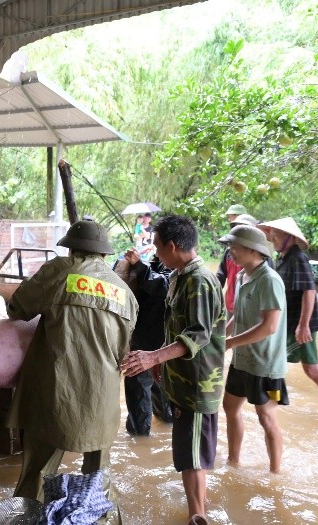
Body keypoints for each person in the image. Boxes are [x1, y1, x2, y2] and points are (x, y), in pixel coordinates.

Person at [6, 218, 138, 523]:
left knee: (38, 473)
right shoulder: (124, 292)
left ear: (71, 249)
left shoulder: (58, 271)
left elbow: (18, 308)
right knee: (98, 477)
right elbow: (123, 349)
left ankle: (26, 519)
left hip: (56, 394)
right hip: (102, 401)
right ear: (103, 254)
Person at [121, 215, 225, 525]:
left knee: (192, 456)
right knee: (187, 451)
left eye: (157, 247)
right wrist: (163, 363)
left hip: (198, 383)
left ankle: (198, 516)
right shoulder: (179, 276)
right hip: (181, 378)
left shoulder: (200, 281)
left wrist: (153, 358)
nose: (155, 253)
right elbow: (174, 326)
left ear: (172, 245)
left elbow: (197, 334)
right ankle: (197, 506)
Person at [258, 217, 318, 423]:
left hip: (298, 325)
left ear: (289, 237)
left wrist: (303, 325)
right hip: (291, 323)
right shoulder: (283, 257)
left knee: (293, 366)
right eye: (271, 233)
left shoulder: (297, 258)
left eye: (276, 234)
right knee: (304, 368)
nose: (272, 237)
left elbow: (309, 292)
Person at [219, 225, 288, 474]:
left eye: (233, 248)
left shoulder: (269, 280)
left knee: (266, 417)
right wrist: (221, 336)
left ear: (251, 250)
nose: (230, 253)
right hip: (242, 360)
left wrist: (230, 343)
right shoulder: (240, 277)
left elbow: (269, 327)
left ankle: (275, 474)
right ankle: (233, 461)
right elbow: (238, 315)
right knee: (230, 407)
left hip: (266, 366)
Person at [119, 250, 172, 436]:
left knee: (146, 392)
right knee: (148, 391)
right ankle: (145, 440)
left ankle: (140, 437)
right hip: (146, 339)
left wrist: (140, 266)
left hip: (156, 344)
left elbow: (164, 286)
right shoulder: (154, 264)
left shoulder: (176, 271)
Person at [216, 207, 251, 316]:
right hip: (231, 304)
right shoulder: (228, 252)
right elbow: (221, 275)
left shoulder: (260, 256)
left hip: (249, 308)